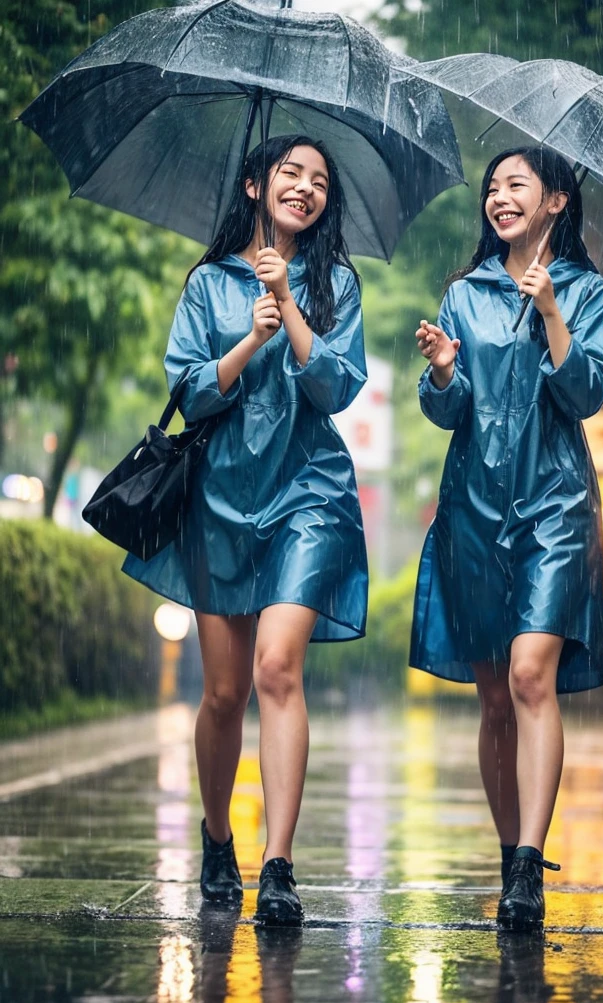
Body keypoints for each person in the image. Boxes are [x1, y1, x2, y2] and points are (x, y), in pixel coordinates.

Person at [124, 134, 368, 927]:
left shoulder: (337, 281)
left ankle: (278, 864)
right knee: (224, 694)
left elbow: (335, 389)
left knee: (275, 670)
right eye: (291, 174)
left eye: (319, 181)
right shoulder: (208, 282)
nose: (306, 188)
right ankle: (218, 835)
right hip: (221, 498)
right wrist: (252, 334)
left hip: (308, 492)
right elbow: (191, 392)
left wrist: (292, 307)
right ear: (256, 185)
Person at [410, 146, 603, 931]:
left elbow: (586, 392)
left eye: (516, 186)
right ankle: (508, 854)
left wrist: (555, 309)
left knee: (532, 675)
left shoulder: (585, 290)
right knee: (495, 698)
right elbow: (447, 413)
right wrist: (442, 370)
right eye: (492, 188)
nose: (499, 198)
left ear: (557, 201)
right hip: (473, 509)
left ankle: (530, 862)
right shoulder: (465, 292)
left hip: (555, 505)